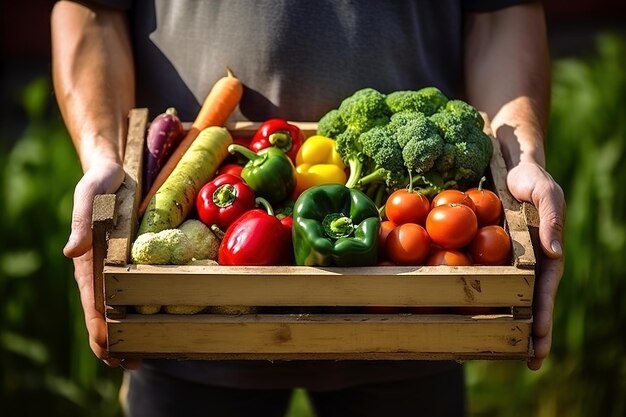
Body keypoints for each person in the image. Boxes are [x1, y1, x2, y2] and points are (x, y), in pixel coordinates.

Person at [51, 1, 565, 416]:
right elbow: (90, 10)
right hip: (187, 322)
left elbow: (503, 12)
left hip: (414, 323)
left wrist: (523, 157)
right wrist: (103, 158)